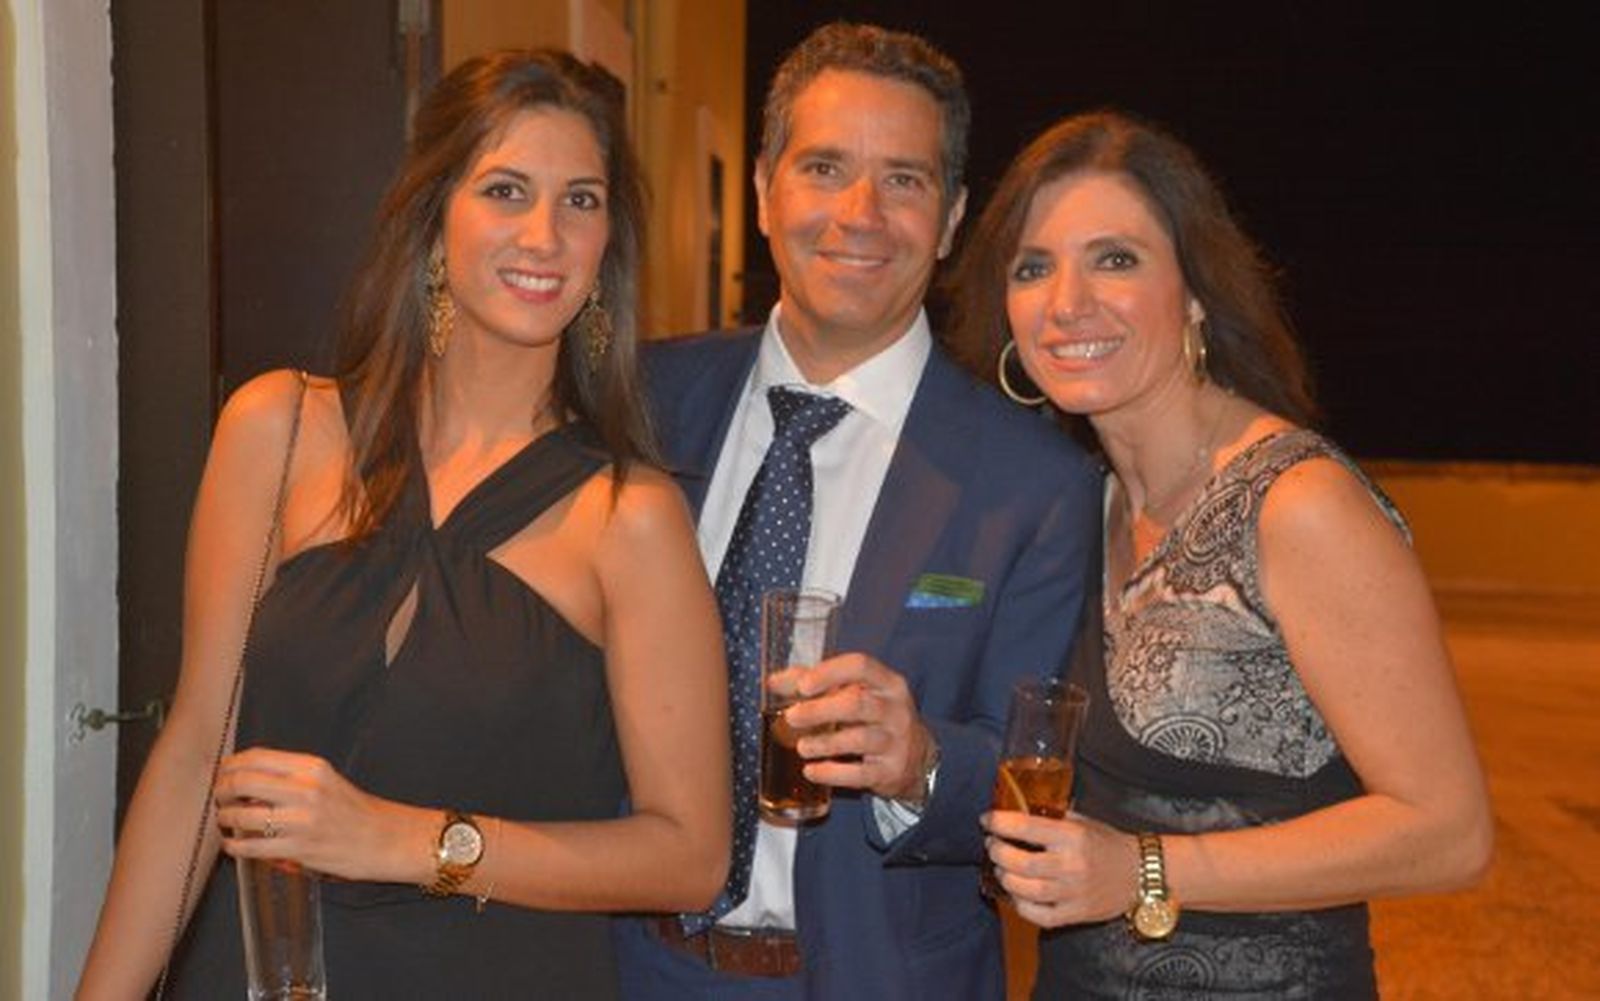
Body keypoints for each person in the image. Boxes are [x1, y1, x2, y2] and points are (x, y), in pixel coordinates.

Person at [76, 49, 729, 1000]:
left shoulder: (629, 517)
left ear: (607, 248)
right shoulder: (278, 429)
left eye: (581, 201)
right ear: (433, 218)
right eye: (505, 190)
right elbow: (194, 755)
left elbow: (689, 856)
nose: (545, 234)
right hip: (257, 971)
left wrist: (408, 840)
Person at [951, 110, 1493, 997]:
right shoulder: (1075, 504)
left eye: (1115, 259)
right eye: (1033, 266)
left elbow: (1449, 832)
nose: (1068, 301)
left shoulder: (1296, 504)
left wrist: (1142, 869)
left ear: (1196, 291)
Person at [612, 22, 1102, 1001]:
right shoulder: (642, 404)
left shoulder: (1034, 482)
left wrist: (921, 760)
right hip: (623, 966)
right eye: (825, 168)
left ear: (951, 217)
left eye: (903, 180)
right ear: (764, 190)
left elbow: (1034, 769)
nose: (859, 213)